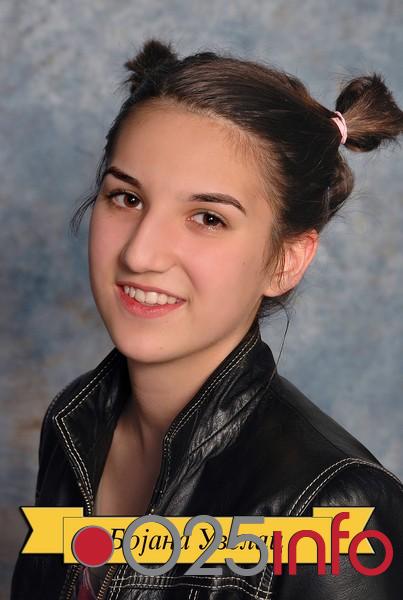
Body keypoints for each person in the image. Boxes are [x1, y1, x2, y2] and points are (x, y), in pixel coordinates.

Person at [11, 39, 403, 599]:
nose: (141, 254)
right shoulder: (75, 421)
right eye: (126, 198)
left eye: (208, 218)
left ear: (286, 260)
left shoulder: (335, 511)